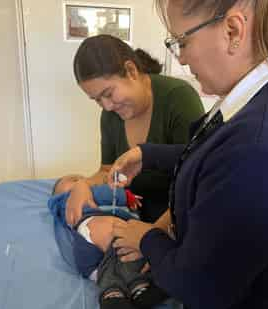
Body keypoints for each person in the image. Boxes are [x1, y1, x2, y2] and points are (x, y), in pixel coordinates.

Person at [108, 1, 268, 308]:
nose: (180, 57)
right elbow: (219, 156)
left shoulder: (264, 144)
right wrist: (149, 154)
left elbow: (198, 286)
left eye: (182, 41)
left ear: (233, 30)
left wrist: (146, 238)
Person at [64, 34, 205, 227]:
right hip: (134, 211)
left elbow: (197, 175)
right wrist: (84, 184)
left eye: (108, 94)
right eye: (97, 99)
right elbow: (108, 171)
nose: (106, 106)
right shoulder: (110, 116)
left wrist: (152, 234)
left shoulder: (178, 98)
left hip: (178, 217)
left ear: (131, 71)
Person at [48, 175, 168, 309]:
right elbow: (106, 193)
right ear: (59, 193)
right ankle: (140, 287)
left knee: (110, 268)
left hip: (86, 255)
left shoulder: (61, 212)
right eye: (74, 180)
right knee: (128, 250)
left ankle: (112, 296)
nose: (81, 181)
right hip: (100, 229)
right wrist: (126, 196)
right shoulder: (75, 196)